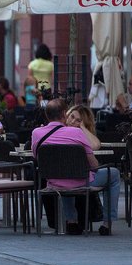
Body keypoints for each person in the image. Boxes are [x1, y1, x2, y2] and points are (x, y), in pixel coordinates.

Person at [31, 99, 120, 235]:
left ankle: (71, 221)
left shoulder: (36, 133)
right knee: (113, 174)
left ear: (47, 115)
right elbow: (94, 166)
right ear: (64, 114)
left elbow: (37, 157)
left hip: (54, 182)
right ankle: (107, 223)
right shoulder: (76, 133)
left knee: (64, 175)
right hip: (80, 182)